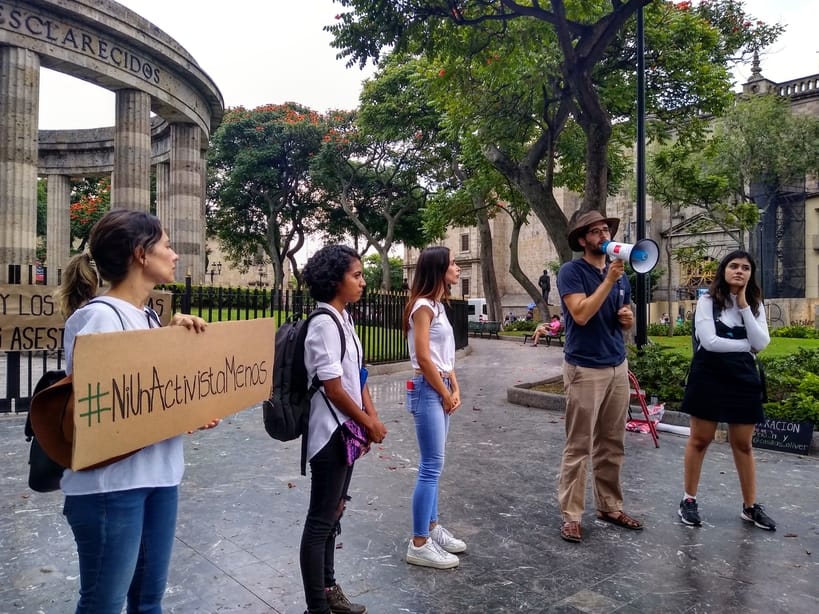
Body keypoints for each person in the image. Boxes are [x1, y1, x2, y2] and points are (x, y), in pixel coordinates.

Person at [55, 209, 212, 613]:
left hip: (158, 477)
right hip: (111, 487)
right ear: (141, 254)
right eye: (166, 245)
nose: (174, 254)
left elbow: (152, 399)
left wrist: (186, 408)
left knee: (147, 601)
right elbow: (96, 414)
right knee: (104, 604)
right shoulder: (99, 318)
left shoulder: (148, 316)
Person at [300, 245, 388, 614]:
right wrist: (367, 422)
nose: (363, 282)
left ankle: (330, 590)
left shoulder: (344, 319)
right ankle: (317, 606)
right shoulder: (323, 323)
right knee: (321, 520)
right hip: (328, 435)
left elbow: (357, 376)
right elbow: (333, 387)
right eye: (357, 275)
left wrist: (370, 416)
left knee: (335, 511)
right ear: (336, 281)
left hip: (347, 431)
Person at [555, 210, 643, 543]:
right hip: (585, 367)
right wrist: (608, 280)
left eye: (606, 229)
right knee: (579, 445)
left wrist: (627, 319)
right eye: (596, 231)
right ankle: (572, 515)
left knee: (611, 442)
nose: (604, 235)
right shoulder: (571, 272)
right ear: (582, 240)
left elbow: (623, 314)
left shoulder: (618, 275)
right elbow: (580, 314)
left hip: (616, 365)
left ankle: (610, 505)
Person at [677, 250, 774, 530]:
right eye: (734, 266)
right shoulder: (708, 301)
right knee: (700, 439)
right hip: (709, 375)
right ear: (724, 270)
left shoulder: (755, 305)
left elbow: (762, 341)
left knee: (743, 444)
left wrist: (743, 305)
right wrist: (746, 347)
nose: (739, 271)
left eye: (745, 267)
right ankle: (689, 499)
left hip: (743, 379)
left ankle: (750, 506)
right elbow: (710, 342)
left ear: (751, 274)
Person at [403, 246, 465, 569]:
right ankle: (418, 541)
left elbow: (446, 355)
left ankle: (431, 526)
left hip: (439, 387)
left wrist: (454, 386)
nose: (456, 267)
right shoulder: (423, 307)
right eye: (452, 263)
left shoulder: (439, 306)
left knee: (435, 465)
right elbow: (424, 357)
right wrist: (443, 390)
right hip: (428, 389)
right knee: (430, 466)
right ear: (439, 269)